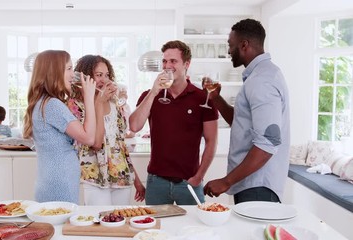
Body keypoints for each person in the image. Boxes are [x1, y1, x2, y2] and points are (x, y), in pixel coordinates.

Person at [203, 18, 290, 204]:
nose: (228, 51)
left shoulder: (262, 81)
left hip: (258, 187)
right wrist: (217, 99)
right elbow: (242, 123)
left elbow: (267, 143)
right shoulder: (259, 76)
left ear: (244, 45)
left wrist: (226, 181)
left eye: (230, 45)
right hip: (251, 184)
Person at [129, 40, 219, 205]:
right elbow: (134, 126)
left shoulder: (203, 98)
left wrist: (199, 176)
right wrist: (154, 91)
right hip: (156, 183)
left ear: (187, 64)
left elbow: (211, 141)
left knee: (195, 229)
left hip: (190, 182)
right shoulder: (150, 95)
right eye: (164, 61)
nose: (167, 65)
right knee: (156, 229)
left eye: (173, 61)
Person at [67, 54, 145, 205]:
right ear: (86, 77)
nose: (104, 80)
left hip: (121, 176)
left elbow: (119, 145)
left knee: (119, 224)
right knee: (98, 223)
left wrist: (136, 179)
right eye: (98, 75)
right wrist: (99, 102)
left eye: (107, 75)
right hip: (95, 176)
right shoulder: (75, 105)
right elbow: (95, 143)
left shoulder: (114, 102)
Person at [23, 50, 97, 203]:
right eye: (69, 69)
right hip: (60, 184)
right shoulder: (53, 105)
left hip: (50, 181)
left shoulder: (42, 103)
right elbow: (89, 138)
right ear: (54, 72)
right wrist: (89, 98)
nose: (73, 74)